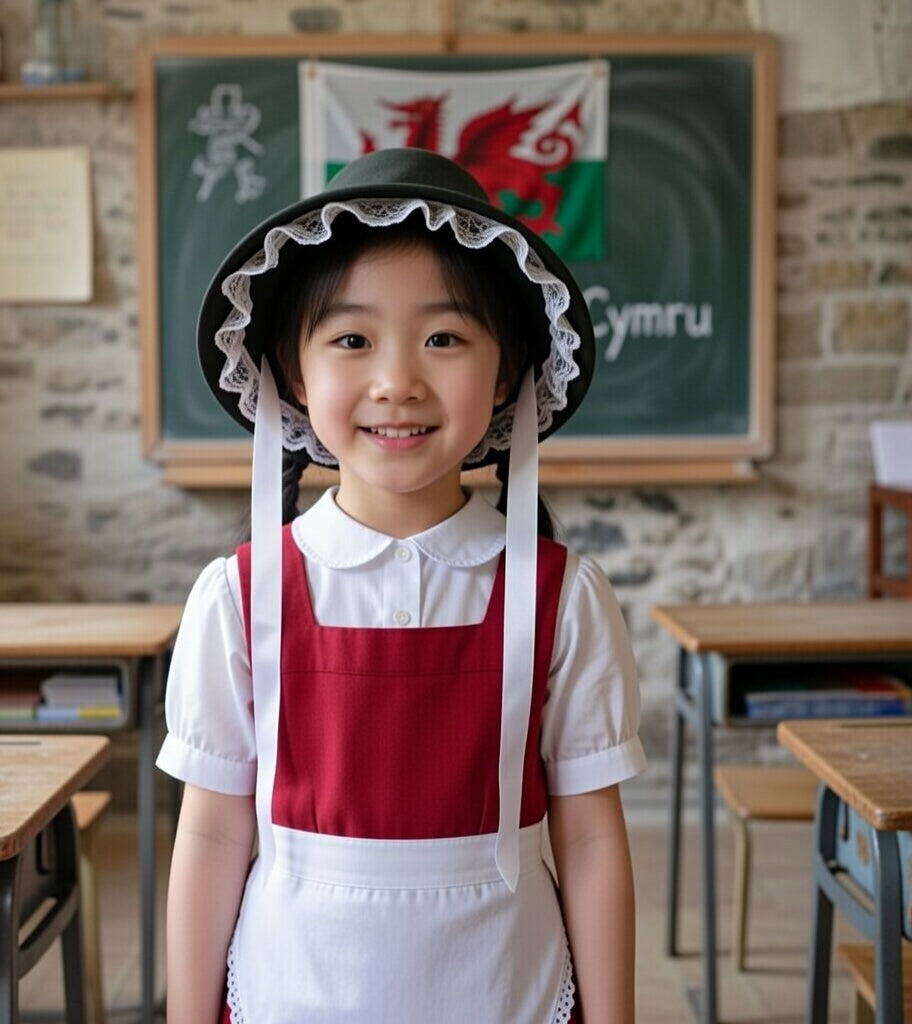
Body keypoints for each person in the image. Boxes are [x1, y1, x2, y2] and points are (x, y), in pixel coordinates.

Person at [157, 147, 646, 1024]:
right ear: (295, 373)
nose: (397, 381)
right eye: (352, 339)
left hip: (506, 989)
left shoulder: (561, 596)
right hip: (290, 992)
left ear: (506, 373)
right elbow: (213, 832)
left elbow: (592, 834)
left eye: (444, 338)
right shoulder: (238, 598)